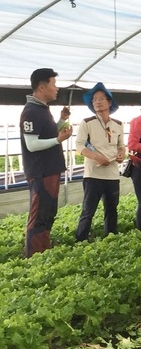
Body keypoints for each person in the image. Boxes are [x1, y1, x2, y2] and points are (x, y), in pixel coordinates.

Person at [19, 68, 72, 257]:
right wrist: (58, 140)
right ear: (42, 87)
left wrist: (61, 121)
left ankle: (43, 250)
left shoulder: (42, 110)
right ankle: (33, 255)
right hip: (41, 172)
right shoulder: (31, 112)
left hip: (50, 170)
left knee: (48, 213)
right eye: (53, 84)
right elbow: (32, 145)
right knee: (39, 215)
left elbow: (47, 135)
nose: (56, 88)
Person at [74, 82, 125, 241]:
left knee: (111, 209)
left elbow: (121, 145)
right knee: (88, 210)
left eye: (101, 98)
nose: (97, 102)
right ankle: (80, 239)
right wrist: (97, 157)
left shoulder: (118, 124)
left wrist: (121, 154)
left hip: (112, 175)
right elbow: (79, 145)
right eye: (94, 99)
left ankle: (111, 237)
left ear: (109, 102)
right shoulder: (87, 123)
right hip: (93, 175)